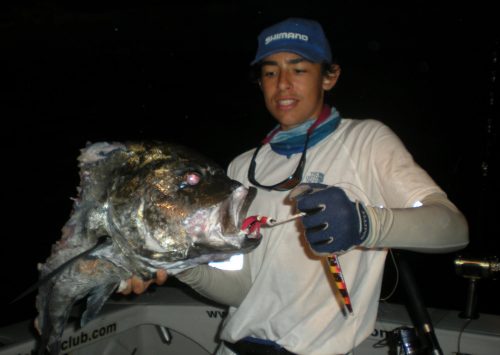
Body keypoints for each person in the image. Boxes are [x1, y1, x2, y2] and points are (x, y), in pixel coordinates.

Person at [121, 17, 469, 354]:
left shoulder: (367, 141)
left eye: (299, 69)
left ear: (329, 77)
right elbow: (243, 289)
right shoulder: (241, 168)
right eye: (270, 72)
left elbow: (452, 228)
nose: (282, 83)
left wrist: (367, 224)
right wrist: (181, 264)